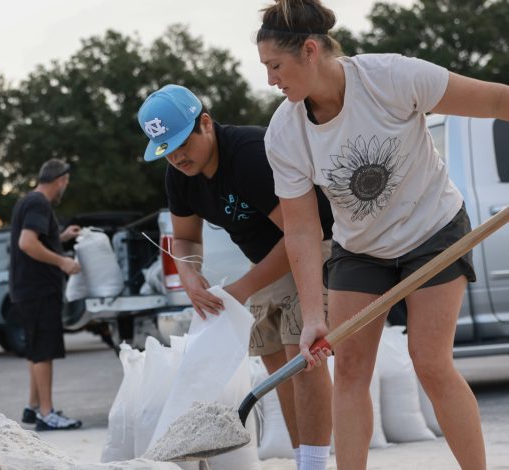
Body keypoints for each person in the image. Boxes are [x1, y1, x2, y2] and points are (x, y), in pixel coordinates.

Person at [256, 1, 509, 468]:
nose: (270, 79)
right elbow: (303, 227)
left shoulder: (392, 78)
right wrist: (313, 315)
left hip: (434, 232)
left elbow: (497, 100)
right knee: (350, 369)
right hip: (360, 249)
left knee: (430, 363)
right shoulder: (285, 133)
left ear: (309, 50)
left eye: (275, 65)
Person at [137, 84, 334, 469]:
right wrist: (190, 275)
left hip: (315, 248)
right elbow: (186, 236)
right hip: (265, 261)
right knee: (277, 372)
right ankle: (302, 460)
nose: (176, 157)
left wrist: (243, 287)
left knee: (303, 362)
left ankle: (315, 466)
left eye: (181, 144)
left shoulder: (249, 156)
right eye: (166, 149)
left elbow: (302, 233)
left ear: (205, 124)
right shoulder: (179, 175)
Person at [9, 158, 83, 431]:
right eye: (66, 182)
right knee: (44, 352)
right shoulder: (39, 203)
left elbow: (36, 237)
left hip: (28, 290)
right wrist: (63, 262)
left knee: (36, 351)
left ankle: (32, 408)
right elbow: (27, 243)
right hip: (38, 290)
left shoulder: (27, 201)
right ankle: (47, 413)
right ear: (61, 180)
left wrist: (61, 237)